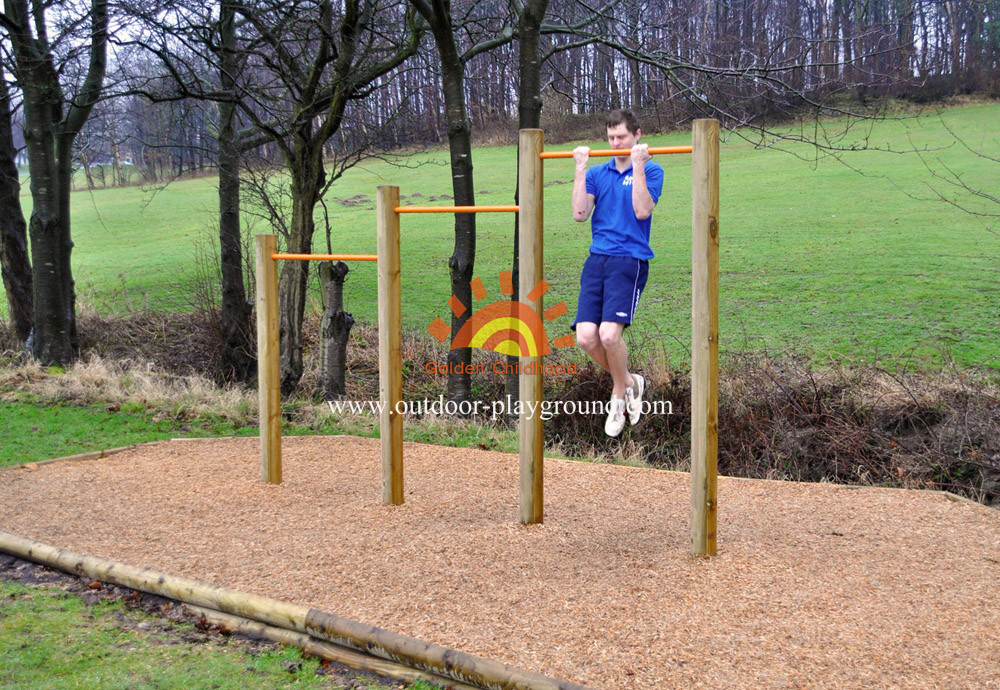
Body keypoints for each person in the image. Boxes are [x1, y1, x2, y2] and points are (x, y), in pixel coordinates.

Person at [571, 109, 664, 438]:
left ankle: (617, 397)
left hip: (630, 259)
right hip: (598, 260)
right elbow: (580, 214)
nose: (615, 143)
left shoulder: (652, 170)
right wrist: (580, 170)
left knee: (610, 335)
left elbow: (642, 210)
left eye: (621, 137)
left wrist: (638, 164)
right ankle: (630, 382)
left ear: (637, 134)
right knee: (585, 337)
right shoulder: (598, 173)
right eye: (610, 138)